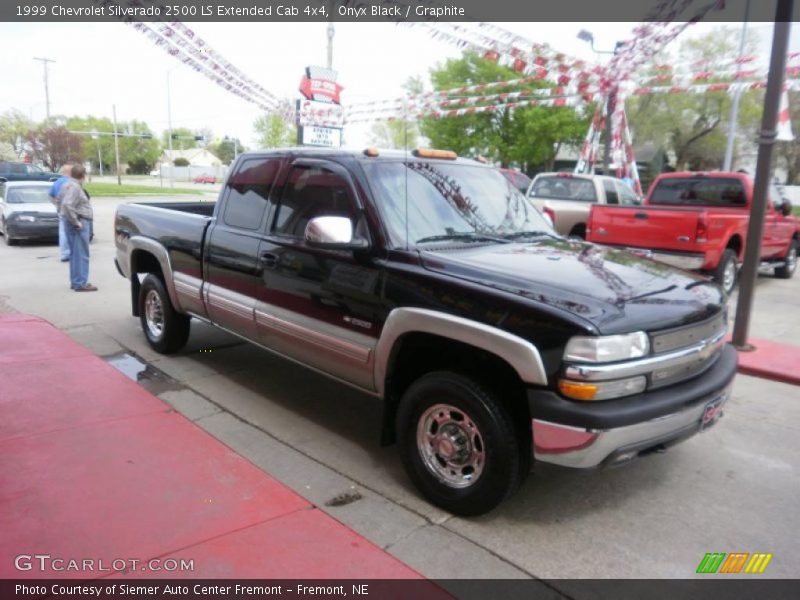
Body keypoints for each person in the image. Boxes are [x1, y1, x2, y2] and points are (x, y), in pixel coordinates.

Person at [59, 165, 97, 292]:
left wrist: (64, 216)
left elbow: (58, 201)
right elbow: (67, 204)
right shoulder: (75, 187)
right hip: (78, 222)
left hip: (70, 221)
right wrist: (76, 221)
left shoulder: (66, 185)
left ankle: (76, 281)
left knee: (75, 254)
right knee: (81, 254)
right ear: (83, 176)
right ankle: (80, 283)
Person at [49, 164, 72, 262]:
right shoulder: (72, 183)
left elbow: (51, 196)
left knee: (63, 232)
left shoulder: (57, 182)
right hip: (72, 211)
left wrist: (57, 205)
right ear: (70, 172)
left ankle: (64, 253)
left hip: (62, 211)